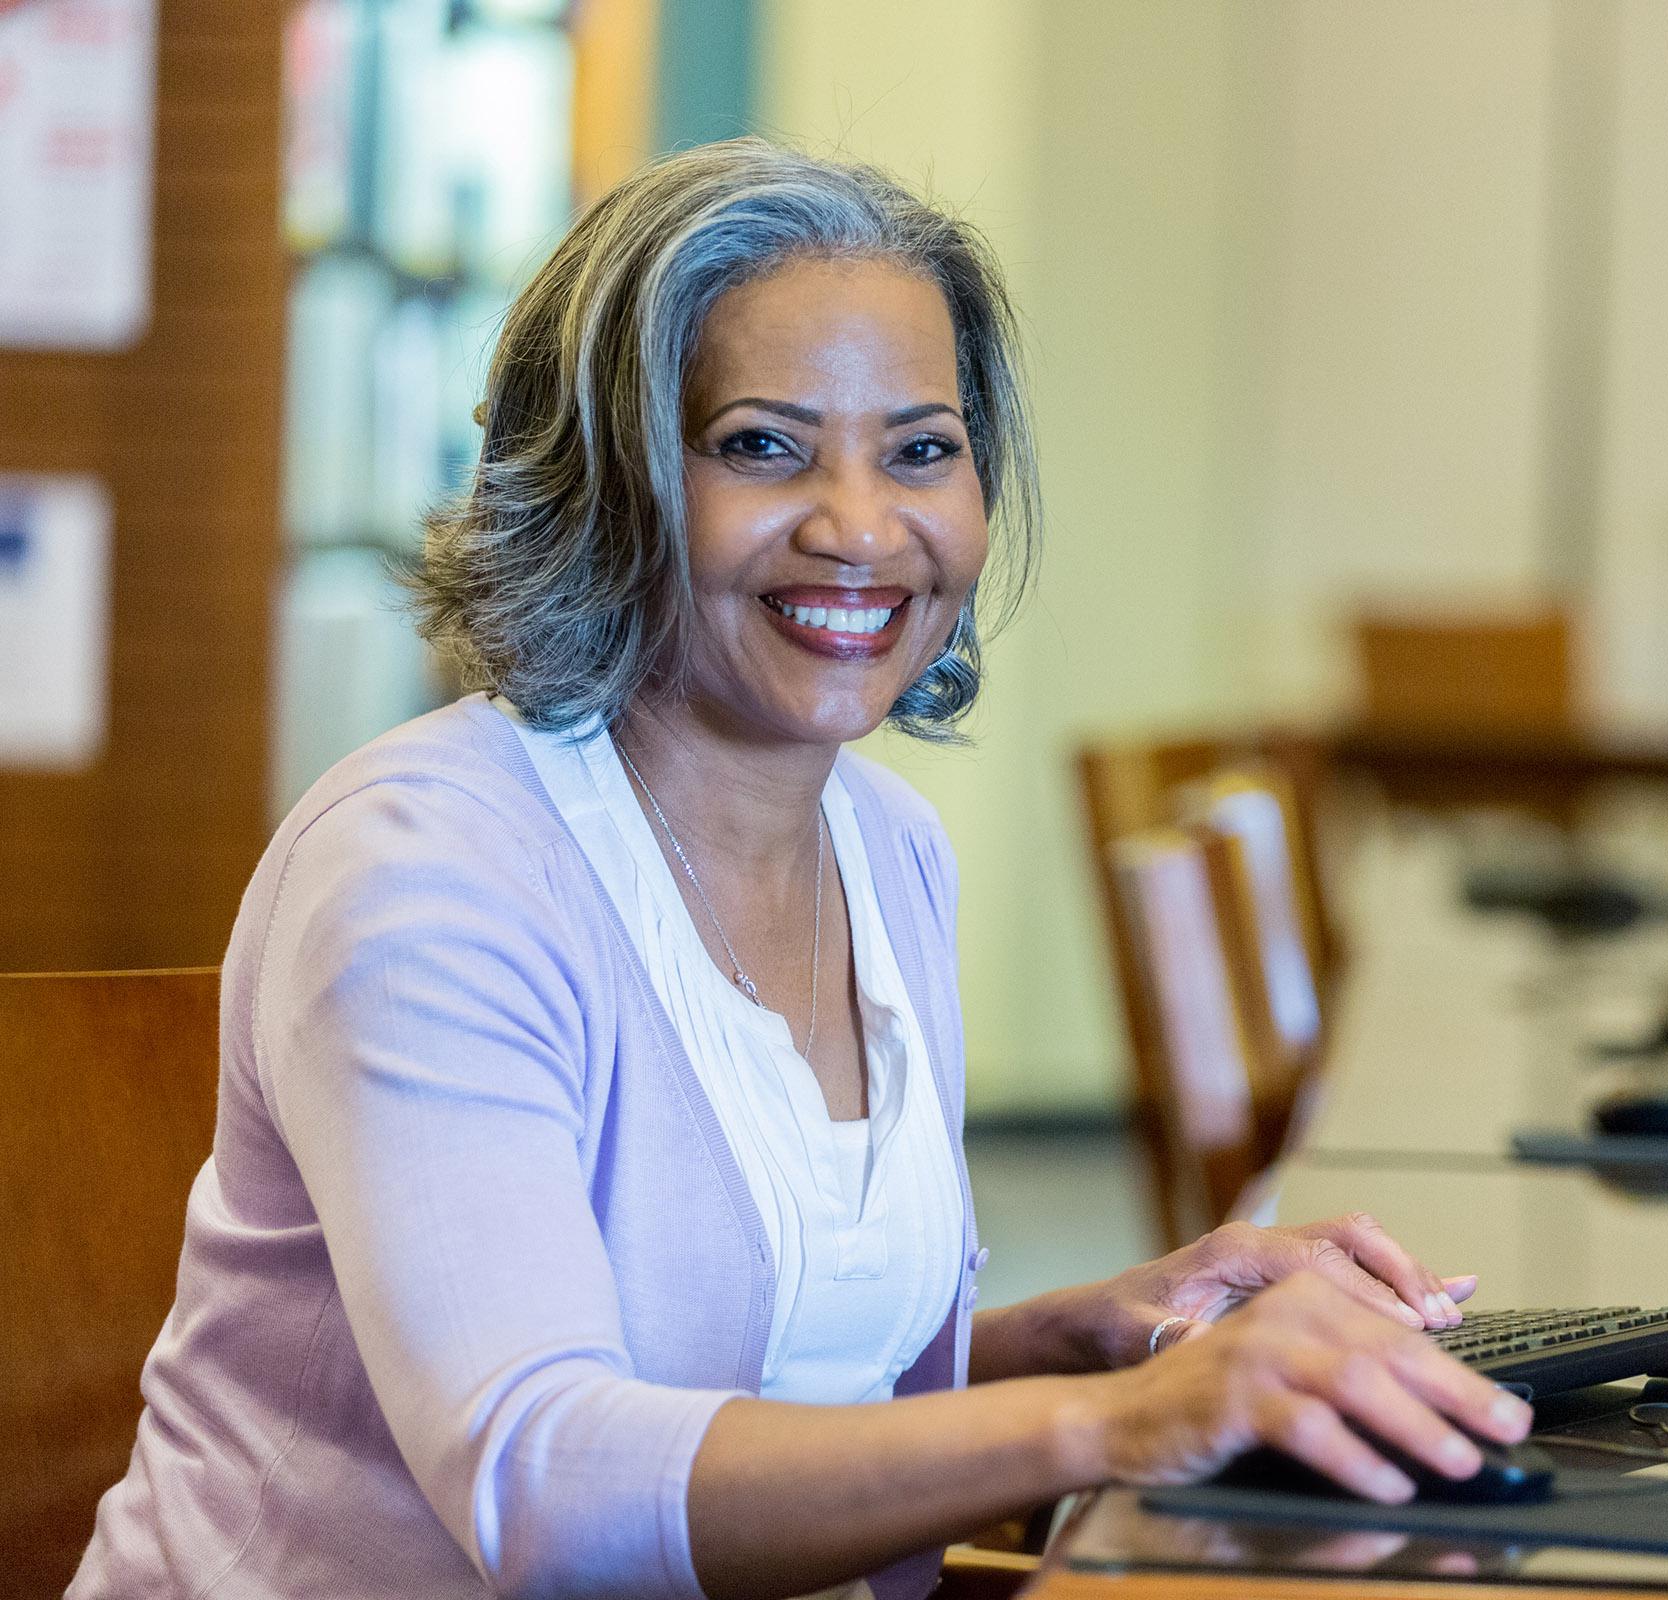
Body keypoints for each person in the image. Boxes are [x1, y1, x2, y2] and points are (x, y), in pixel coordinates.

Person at [72, 138, 1528, 1600]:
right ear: (607, 478)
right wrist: (1116, 1424)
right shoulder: (426, 867)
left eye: (920, 448)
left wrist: (1093, 1334)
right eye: (762, 445)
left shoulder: (887, 850)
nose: (860, 528)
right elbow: (543, 1482)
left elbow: (797, 1387)